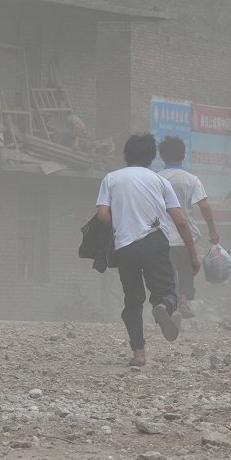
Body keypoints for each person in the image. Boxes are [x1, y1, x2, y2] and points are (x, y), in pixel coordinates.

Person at [95, 133, 200, 367]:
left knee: (132, 300)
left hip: (125, 246)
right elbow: (181, 221)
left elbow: (102, 214)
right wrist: (193, 254)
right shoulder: (160, 181)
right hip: (154, 242)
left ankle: (139, 354)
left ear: (125, 155)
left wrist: (121, 224)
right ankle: (162, 307)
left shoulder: (111, 179)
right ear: (152, 158)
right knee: (166, 290)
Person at [156, 136, 220, 318]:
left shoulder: (155, 179)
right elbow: (205, 205)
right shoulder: (191, 180)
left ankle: (166, 305)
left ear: (162, 157)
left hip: (162, 237)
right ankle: (182, 302)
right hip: (186, 238)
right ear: (183, 156)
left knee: (167, 274)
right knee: (186, 270)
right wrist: (212, 230)